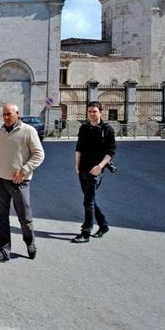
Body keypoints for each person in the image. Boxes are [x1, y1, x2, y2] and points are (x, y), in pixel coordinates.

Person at [0, 103, 45, 263]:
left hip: (19, 181)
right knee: (1, 218)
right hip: (0, 180)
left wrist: (24, 170)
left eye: (9, 114)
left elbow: (39, 154)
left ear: (17, 114)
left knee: (24, 217)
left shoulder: (28, 131)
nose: (6, 117)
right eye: (4, 114)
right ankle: (3, 251)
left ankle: (29, 242)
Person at [71, 101, 116, 243]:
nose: (92, 114)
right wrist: (76, 164)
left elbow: (111, 151)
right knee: (89, 199)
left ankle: (86, 232)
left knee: (88, 201)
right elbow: (79, 147)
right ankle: (103, 225)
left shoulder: (107, 129)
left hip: (96, 170)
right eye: (89, 111)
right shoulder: (84, 128)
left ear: (100, 112)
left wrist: (100, 166)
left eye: (94, 111)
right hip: (82, 168)